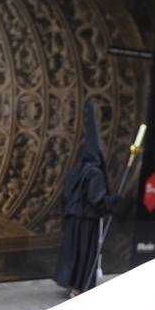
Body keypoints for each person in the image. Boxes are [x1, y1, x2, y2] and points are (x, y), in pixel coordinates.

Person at [54, 100, 117, 297]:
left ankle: (73, 285)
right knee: (84, 254)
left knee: (74, 253)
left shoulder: (77, 171)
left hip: (74, 220)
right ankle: (79, 288)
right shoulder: (95, 174)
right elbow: (96, 199)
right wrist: (113, 201)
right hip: (86, 222)